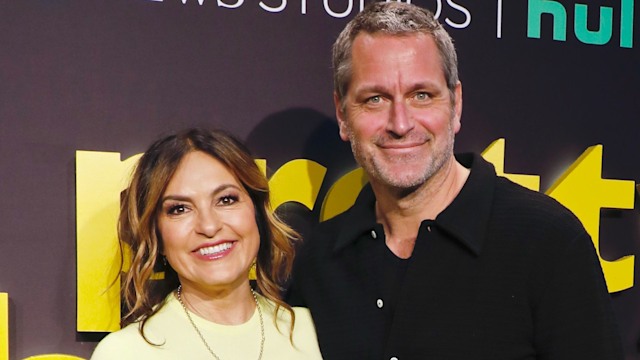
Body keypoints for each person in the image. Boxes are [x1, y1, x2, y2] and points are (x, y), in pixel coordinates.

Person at [286, 2, 623, 359]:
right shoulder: (317, 264)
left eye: (421, 95)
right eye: (375, 99)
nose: (400, 124)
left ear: (456, 104)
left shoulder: (549, 243)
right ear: (343, 114)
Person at [92, 128, 322, 359]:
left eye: (226, 200)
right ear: (156, 235)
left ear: (257, 213)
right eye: (179, 209)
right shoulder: (125, 352)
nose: (209, 226)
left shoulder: (314, 333)